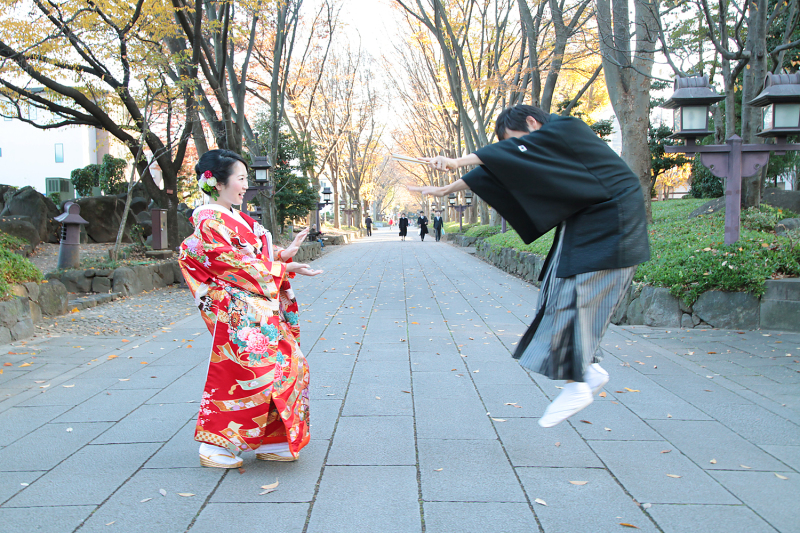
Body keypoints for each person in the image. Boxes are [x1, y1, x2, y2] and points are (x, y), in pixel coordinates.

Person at [409, 104, 649, 428]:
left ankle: (580, 378)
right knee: (556, 286)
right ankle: (586, 369)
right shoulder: (548, 148)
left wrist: (455, 161)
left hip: (612, 218)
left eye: (513, 140)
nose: (512, 150)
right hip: (588, 219)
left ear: (533, 123)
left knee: (582, 289)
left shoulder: (565, 129)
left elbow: (509, 154)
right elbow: (495, 171)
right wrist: (444, 188)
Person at [179, 149, 323, 469]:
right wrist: (282, 270)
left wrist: (285, 257)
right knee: (244, 376)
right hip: (237, 309)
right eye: (240, 179)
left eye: (246, 178)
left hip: (256, 305)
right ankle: (216, 445)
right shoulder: (209, 219)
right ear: (216, 183)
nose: (245, 185)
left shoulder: (236, 218)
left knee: (286, 367)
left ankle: (272, 439)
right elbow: (230, 264)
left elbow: (255, 260)